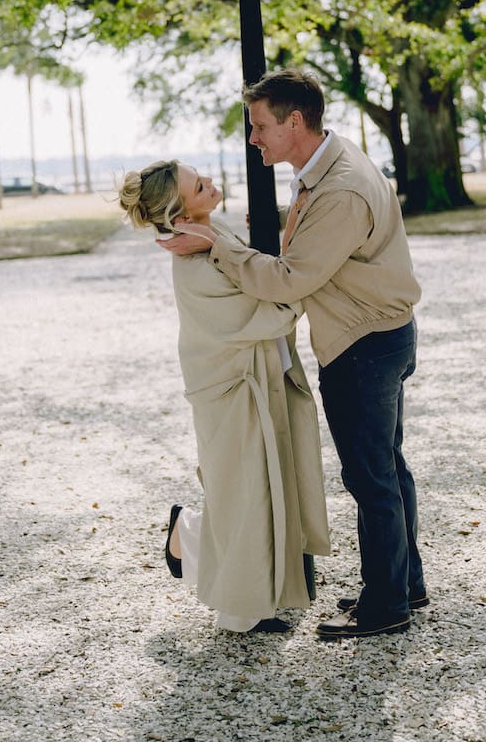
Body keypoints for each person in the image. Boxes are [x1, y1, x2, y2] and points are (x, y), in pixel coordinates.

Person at [159, 69, 427, 639]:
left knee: (371, 477)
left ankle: (387, 608)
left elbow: (288, 282)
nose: (253, 138)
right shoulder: (331, 165)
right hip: (383, 335)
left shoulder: (341, 188)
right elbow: (321, 247)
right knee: (388, 467)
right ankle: (405, 585)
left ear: (294, 122)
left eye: (259, 126)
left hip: (363, 345)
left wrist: (217, 245)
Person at [118, 159, 330, 634]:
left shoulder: (216, 235)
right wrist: (304, 273)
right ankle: (237, 604)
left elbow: (262, 280)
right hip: (230, 391)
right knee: (245, 493)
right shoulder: (193, 269)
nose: (212, 183)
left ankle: (199, 547)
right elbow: (267, 309)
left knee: (260, 488)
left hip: (254, 381)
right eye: (199, 185)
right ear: (180, 211)